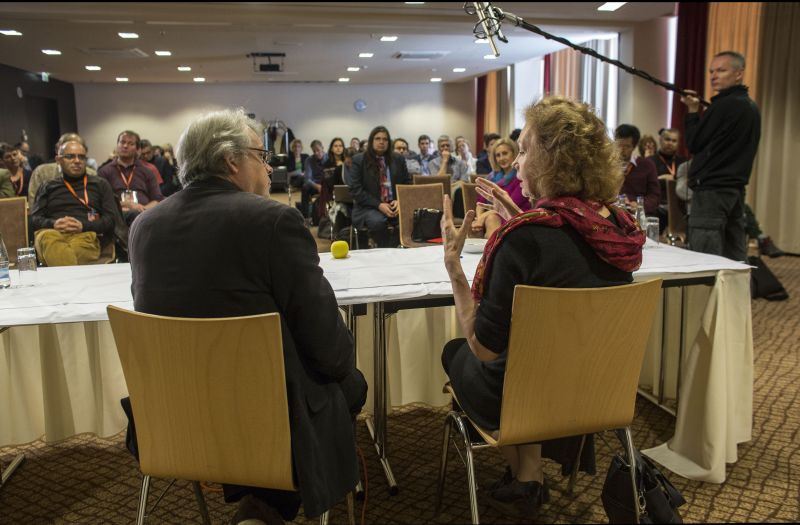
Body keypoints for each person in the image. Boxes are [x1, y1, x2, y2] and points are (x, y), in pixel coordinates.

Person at [126, 108, 367, 524]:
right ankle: (268, 503)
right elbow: (332, 352)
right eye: (262, 156)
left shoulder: (145, 226)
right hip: (265, 422)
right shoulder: (273, 220)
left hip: (172, 415)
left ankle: (258, 502)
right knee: (351, 381)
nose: (270, 170)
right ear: (230, 160)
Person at [440, 96, 644, 518]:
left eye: (526, 149)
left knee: (459, 352)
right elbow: (564, 260)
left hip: (527, 398)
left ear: (551, 160)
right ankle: (526, 475)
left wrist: (454, 266)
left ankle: (526, 475)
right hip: (595, 391)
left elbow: (485, 348)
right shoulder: (618, 231)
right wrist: (520, 218)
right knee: (530, 356)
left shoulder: (524, 239)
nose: (517, 161)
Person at [680, 51, 760, 261]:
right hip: (734, 189)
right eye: (711, 71)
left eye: (721, 70)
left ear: (739, 74)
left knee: (704, 256)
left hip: (711, 191)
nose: (714, 76)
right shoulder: (750, 107)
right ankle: (738, 295)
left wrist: (692, 111)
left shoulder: (724, 105)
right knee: (735, 255)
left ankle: (706, 295)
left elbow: (694, 142)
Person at [30, 140, 125, 266]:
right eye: (70, 156)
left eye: (81, 157)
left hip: (87, 234)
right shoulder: (48, 186)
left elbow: (111, 220)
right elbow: (35, 219)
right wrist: (53, 223)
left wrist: (83, 226)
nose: (77, 161)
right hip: (51, 233)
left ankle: (64, 281)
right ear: (58, 159)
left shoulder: (100, 184)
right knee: (49, 239)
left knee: (74, 248)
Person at [346, 125, 411, 248]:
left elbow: (406, 183)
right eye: (377, 138)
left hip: (394, 204)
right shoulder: (359, 160)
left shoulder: (398, 159)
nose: (381, 142)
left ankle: (394, 249)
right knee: (378, 222)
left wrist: (400, 200)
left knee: (409, 219)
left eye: (385, 139)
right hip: (369, 206)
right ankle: (385, 251)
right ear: (371, 141)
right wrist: (379, 205)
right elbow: (356, 190)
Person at [98, 130, 164, 225]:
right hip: (116, 216)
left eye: (130, 143)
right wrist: (128, 205)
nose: (125, 146)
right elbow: (103, 201)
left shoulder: (147, 171)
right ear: (117, 145)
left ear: (137, 149)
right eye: (122, 142)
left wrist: (142, 210)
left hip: (144, 216)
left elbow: (157, 199)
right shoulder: (104, 171)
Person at [472, 138, 529, 239]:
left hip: (516, 217)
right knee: (490, 218)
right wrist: (479, 218)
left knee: (491, 218)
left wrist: (482, 217)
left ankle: (492, 250)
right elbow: (480, 202)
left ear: (514, 153)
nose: (501, 158)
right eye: (498, 155)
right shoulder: (492, 177)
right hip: (494, 216)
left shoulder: (520, 176)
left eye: (505, 153)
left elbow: (508, 205)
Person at [27, 133, 98, 208]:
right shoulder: (42, 172)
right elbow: (34, 206)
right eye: (70, 155)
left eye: (80, 155)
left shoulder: (91, 174)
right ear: (58, 152)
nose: (76, 160)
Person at [614, 124, 660, 218]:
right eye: (619, 145)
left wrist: (639, 205)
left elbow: (654, 196)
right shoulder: (607, 165)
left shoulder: (647, 165)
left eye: (627, 146)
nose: (621, 150)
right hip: (613, 212)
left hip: (636, 213)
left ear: (634, 147)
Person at [648, 128, 687, 232]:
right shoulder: (650, 161)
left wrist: (672, 178)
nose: (670, 143)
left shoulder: (684, 162)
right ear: (660, 140)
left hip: (679, 206)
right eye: (667, 139)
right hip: (658, 206)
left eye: (674, 141)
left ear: (678, 143)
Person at [300, 139, 327, 222]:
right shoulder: (309, 160)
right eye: (314, 151)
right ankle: (305, 217)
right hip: (314, 185)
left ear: (322, 148)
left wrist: (324, 186)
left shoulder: (329, 157)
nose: (316, 153)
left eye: (318, 150)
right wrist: (317, 186)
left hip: (327, 184)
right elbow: (307, 179)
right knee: (304, 188)